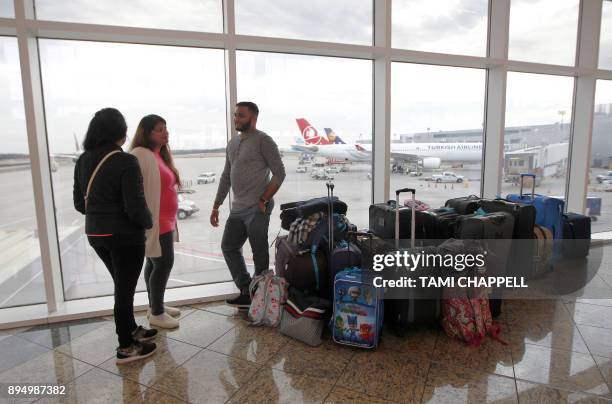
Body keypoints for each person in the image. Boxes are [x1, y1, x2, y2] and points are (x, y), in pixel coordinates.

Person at [73, 108, 157, 364]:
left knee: (123, 287)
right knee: (124, 292)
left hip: (96, 235)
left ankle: (131, 328)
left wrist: (101, 213)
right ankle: (126, 346)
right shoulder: (125, 161)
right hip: (124, 237)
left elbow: (79, 203)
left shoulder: (83, 160)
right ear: (120, 132)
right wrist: (148, 222)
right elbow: (135, 206)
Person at [211, 101, 286, 309]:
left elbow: (279, 173)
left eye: (241, 115)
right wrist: (216, 205)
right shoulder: (232, 143)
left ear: (253, 118)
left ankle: (261, 297)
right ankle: (247, 289)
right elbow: (226, 176)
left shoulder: (264, 141)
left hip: (256, 207)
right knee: (229, 246)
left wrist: (264, 199)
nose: (236, 119)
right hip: (237, 208)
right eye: (235, 115)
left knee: (259, 253)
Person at [130, 115, 182, 329]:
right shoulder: (140, 154)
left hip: (165, 219)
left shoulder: (158, 154)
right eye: (159, 129)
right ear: (147, 133)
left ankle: (155, 306)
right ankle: (157, 313)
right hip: (155, 220)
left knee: (153, 262)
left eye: (166, 128)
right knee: (163, 263)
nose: (165, 132)